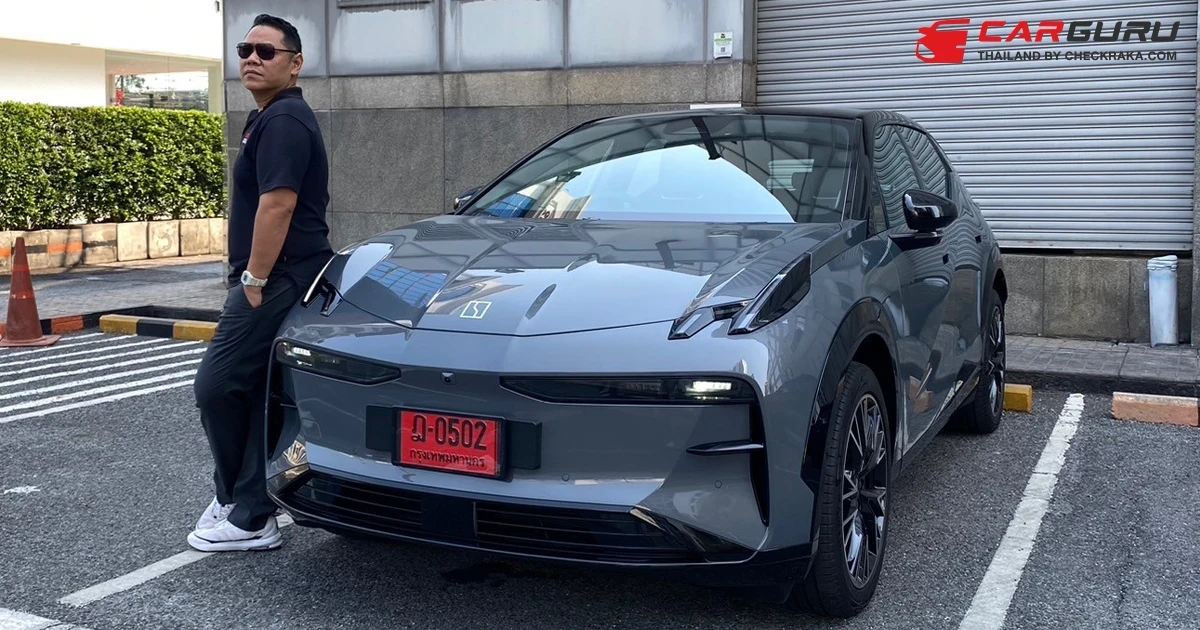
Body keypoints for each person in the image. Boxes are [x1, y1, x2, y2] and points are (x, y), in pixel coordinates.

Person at [188, 13, 333, 552]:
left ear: (295, 65)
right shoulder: (268, 117)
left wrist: (254, 279)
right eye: (245, 49)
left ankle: (245, 508)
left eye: (266, 51)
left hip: (278, 277)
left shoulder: (285, 119)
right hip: (278, 275)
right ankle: (247, 506)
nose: (251, 58)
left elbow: (278, 204)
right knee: (252, 391)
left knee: (217, 386)